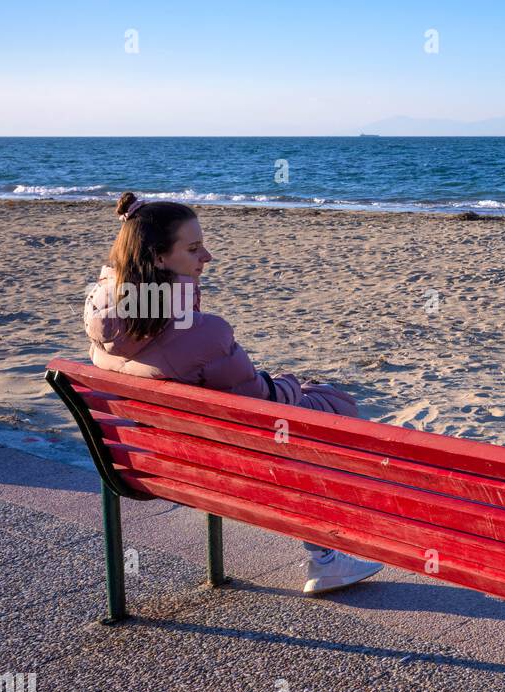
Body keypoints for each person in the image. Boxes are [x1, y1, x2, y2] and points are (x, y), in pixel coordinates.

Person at [84, 191, 382, 595]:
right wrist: (298, 385)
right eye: (193, 248)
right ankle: (327, 558)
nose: (206, 256)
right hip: (216, 467)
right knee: (332, 411)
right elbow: (265, 404)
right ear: (157, 258)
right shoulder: (203, 332)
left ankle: (329, 553)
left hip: (149, 461)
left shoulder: (107, 320)